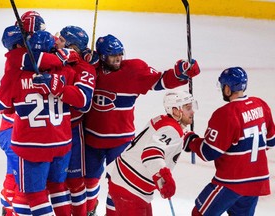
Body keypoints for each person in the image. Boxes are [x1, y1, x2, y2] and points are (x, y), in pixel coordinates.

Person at [83, 34, 201, 215]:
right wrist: (81, 58)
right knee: (89, 181)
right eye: (113, 56)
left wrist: (180, 73)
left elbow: (159, 80)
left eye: (120, 55)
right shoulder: (90, 70)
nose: (118, 60)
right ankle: (88, 211)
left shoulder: (132, 71)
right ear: (102, 56)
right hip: (91, 139)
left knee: (116, 182)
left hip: (120, 141)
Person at [0, 30, 87, 216]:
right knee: (59, 188)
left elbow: (1, 105)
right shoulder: (66, 72)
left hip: (31, 146)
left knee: (34, 195)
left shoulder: (15, 76)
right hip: (61, 143)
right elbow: (81, 99)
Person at [183, 67, 275, 216]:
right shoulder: (261, 105)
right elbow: (271, 142)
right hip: (256, 182)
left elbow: (208, 152)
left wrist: (190, 140)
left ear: (227, 89)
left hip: (231, 182)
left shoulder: (225, 114)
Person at [106, 90, 197, 215]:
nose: (192, 112)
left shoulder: (164, 120)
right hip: (130, 188)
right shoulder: (172, 130)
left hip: (126, 181)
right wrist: (165, 177)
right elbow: (151, 154)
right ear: (175, 111)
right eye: (188, 108)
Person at [0, 10, 47, 216]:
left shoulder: (19, 53)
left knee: (14, 175)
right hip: (15, 131)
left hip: (12, 128)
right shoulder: (22, 58)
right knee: (21, 181)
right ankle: (11, 212)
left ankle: (7, 210)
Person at [55, 25, 97, 216]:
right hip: (50, 131)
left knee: (74, 181)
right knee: (52, 182)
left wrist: (57, 88)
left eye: (62, 40)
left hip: (72, 130)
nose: (57, 42)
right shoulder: (53, 60)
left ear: (72, 47)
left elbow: (84, 103)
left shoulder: (84, 69)